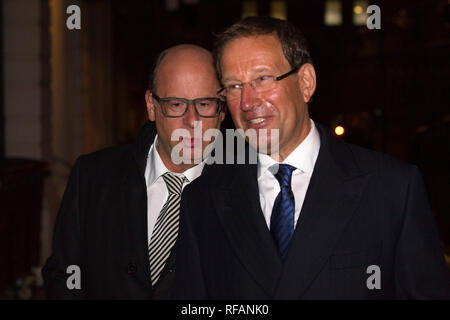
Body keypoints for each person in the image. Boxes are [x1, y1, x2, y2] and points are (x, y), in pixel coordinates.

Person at [172, 17, 450, 299]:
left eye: (262, 79)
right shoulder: (202, 201)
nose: (247, 102)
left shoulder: (391, 190)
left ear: (306, 82)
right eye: (233, 86)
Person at [42, 44, 225, 299]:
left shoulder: (246, 192)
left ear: (222, 109)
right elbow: (63, 276)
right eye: (175, 104)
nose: (191, 121)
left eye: (204, 104)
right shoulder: (92, 177)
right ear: (151, 105)